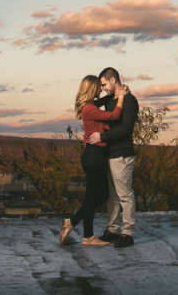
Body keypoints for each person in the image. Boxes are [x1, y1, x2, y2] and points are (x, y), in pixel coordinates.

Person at [59, 75, 129, 247]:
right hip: (94, 155)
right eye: (98, 87)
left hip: (95, 154)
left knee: (102, 195)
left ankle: (73, 222)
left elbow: (100, 102)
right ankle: (88, 236)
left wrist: (112, 94)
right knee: (92, 198)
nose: (101, 89)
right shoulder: (88, 109)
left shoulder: (89, 106)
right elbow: (114, 116)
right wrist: (120, 98)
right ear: (91, 88)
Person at [86, 66, 138, 248]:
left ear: (113, 80)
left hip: (122, 154)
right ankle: (113, 230)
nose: (103, 89)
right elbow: (94, 106)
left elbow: (125, 129)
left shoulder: (130, 101)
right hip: (109, 154)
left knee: (125, 194)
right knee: (113, 196)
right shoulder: (112, 100)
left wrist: (102, 137)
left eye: (104, 84)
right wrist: (115, 96)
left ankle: (127, 233)